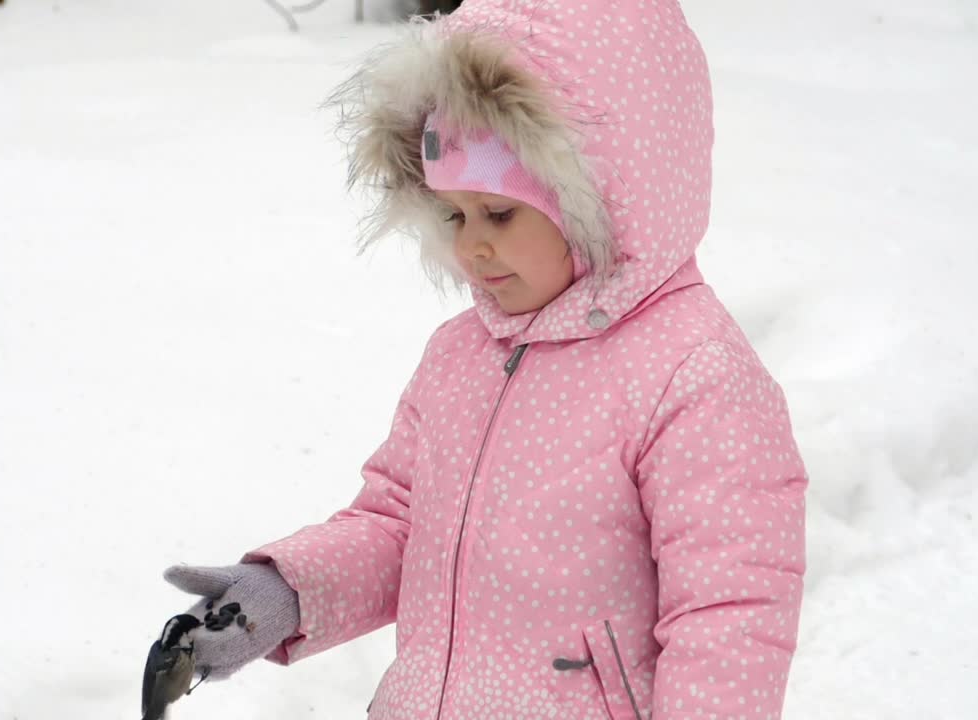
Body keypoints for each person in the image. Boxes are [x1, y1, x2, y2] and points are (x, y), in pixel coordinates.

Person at [160, 1, 808, 718]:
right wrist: (286, 595)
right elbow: (400, 524)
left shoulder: (692, 374)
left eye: (499, 214)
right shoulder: (461, 356)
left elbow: (731, 617)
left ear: (602, 194)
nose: (471, 247)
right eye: (452, 215)